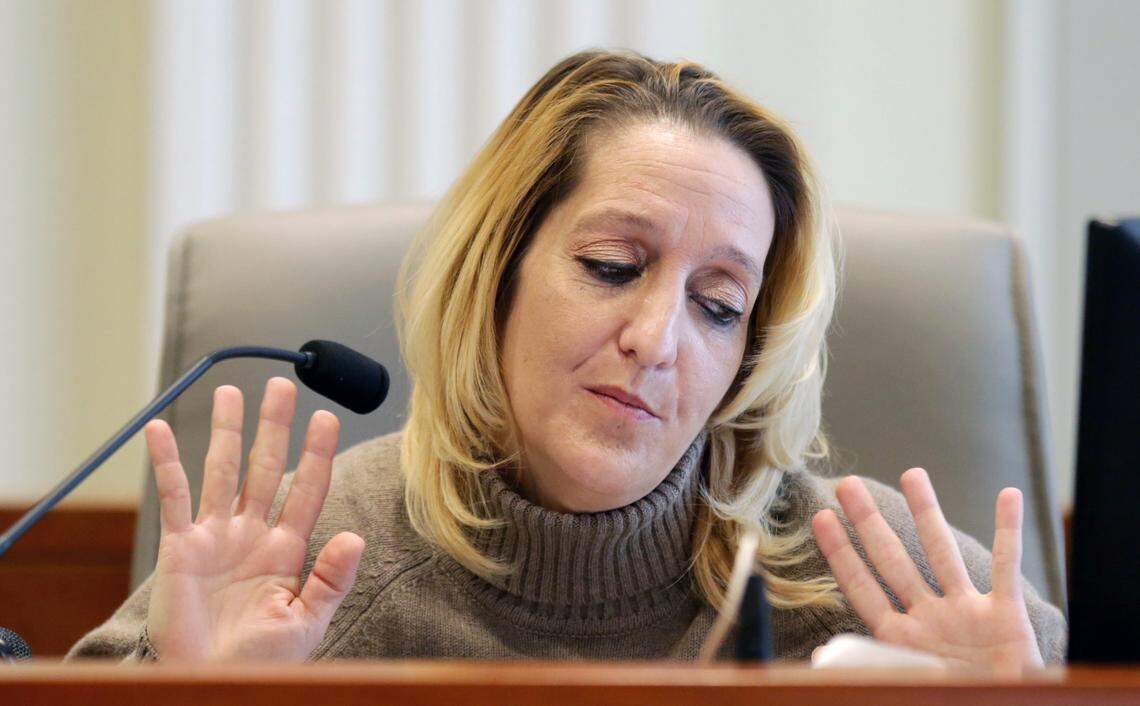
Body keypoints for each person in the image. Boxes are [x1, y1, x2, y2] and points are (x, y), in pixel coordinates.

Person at [68, 49, 1065, 667]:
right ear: (496, 272)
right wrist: (184, 696)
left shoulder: (876, 574)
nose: (658, 340)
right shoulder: (323, 557)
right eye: (611, 265)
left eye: (719, 307)